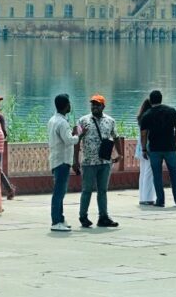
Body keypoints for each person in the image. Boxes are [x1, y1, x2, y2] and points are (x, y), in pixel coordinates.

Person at [74, 94, 122, 228]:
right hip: (89, 162)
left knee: (103, 190)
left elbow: (116, 137)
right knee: (87, 190)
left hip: (105, 162)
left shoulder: (110, 121)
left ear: (103, 106)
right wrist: (75, 160)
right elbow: (76, 141)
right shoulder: (83, 121)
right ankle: (83, 216)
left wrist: (120, 154)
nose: (94, 107)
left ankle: (103, 217)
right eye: (93, 104)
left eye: (97, 104)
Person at [139, 90, 176, 208]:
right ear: (161, 99)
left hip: (154, 149)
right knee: (174, 174)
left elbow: (143, 134)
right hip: (170, 148)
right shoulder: (171, 111)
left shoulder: (147, 114)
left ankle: (160, 201)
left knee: (157, 175)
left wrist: (143, 149)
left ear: (151, 99)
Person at [48, 93, 80, 232]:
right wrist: (78, 135)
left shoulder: (53, 120)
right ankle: (56, 221)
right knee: (59, 192)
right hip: (62, 161)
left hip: (57, 159)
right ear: (66, 106)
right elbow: (69, 141)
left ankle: (60, 218)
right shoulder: (62, 123)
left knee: (60, 191)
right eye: (69, 104)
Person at [134, 99, 155, 206]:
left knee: (143, 173)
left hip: (140, 147)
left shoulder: (141, 118)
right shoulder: (149, 118)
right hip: (147, 147)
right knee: (149, 172)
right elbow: (145, 135)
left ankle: (143, 197)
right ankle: (148, 198)